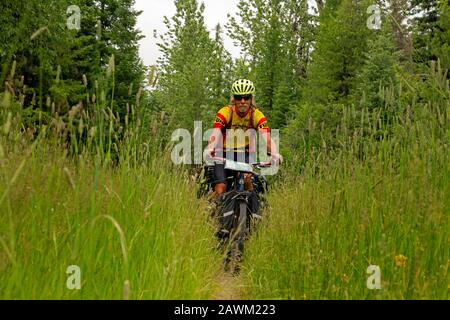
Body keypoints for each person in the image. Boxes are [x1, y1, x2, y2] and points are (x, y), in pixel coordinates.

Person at [206, 79, 282, 198]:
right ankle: (209, 211)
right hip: (223, 153)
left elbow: (266, 137)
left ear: (251, 99)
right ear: (234, 99)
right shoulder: (226, 112)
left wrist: (275, 154)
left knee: (248, 181)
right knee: (221, 188)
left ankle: (255, 212)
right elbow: (215, 133)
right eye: (238, 97)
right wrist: (209, 148)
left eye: (246, 97)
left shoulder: (256, 115)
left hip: (245, 154)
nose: (242, 101)